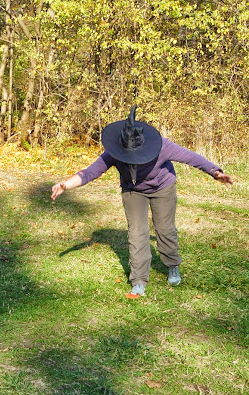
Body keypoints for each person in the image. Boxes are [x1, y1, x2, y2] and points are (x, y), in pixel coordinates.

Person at [51, 106, 234, 296]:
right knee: (137, 232)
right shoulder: (114, 151)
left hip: (162, 187)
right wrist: (66, 185)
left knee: (165, 229)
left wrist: (215, 172)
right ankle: (138, 280)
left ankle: (172, 264)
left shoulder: (162, 146)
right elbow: (90, 172)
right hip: (132, 190)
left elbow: (191, 157)